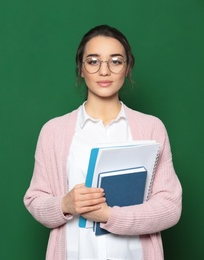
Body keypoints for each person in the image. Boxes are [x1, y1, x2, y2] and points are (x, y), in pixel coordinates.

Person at [23, 24, 182, 260]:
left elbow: (170, 207)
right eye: (93, 61)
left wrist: (110, 216)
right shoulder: (54, 131)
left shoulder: (151, 127)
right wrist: (65, 204)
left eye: (115, 61)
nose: (104, 71)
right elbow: (35, 200)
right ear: (81, 69)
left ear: (127, 68)